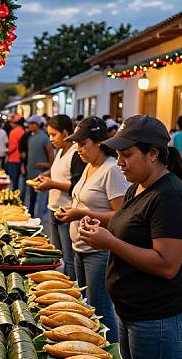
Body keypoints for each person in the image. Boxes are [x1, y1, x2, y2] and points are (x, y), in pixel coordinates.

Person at [78, 114, 182, 359]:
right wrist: (99, 227)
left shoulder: (170, 196)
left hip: (159, 318)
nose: (120, 162)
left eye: (127, 155)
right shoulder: (137, 187)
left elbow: (167, 264)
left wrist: (109, 242)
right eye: (118, 154)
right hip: (134, 314)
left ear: (153, 154)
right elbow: (126, 222)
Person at [55, 116, 128, 342]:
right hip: (80, 248)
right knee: (86, 307)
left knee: (100, 309)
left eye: (83, 143)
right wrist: (72, 210)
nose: (78, 149)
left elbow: (121, 215)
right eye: (76, 144)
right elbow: (85, 202)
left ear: (98, 142)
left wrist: (80, 214)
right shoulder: (89, 166)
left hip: (98, 252)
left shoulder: (111, 170)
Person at [34, 115, 85, 280]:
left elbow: (76, 186)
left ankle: (71, 291)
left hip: (67, 211)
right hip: (54, 208)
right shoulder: (61, 151)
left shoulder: (76, 153)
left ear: (65, 132)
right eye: (49, 134)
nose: (51, 139)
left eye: (54, 134)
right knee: (57, 254)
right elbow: (60, 173)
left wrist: (52, 184)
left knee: (68, 258)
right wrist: (46, 176)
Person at [25, 114, 54, 216]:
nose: (29, 126)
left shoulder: (44, 138)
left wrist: (48, 165)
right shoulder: (31, 138)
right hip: (31, 172)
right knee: (32, 197)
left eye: (32, 124)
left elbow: (50, 153)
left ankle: (40, 216)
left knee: (41, 198)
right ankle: (32, 214)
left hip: (41, 173)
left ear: (38, 125)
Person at [6, 113, 24, 190]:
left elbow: (13, 146)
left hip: (13, 158)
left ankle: (13, 194)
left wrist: (7, 152)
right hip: (20, 158)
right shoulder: (23, 131)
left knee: (13, 179)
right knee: (18, 179)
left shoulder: (13, 132)